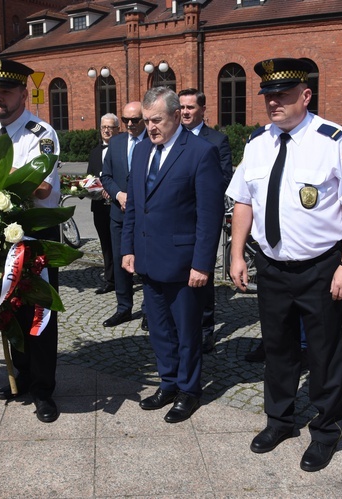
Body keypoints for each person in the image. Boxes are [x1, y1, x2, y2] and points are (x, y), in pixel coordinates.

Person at [226, 58, 342, 472]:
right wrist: (237, 253)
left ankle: (326, 431)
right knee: (278, 348)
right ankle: (281, 420)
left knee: (324, 354)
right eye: (268, 96)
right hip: (271, 265)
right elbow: (243, 202)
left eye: (283, 95)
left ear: (305, 95)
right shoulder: (258, 144)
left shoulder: (334, 140)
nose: (273, 102)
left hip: (321, 267)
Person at [121, 87, 224, 423]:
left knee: (187, 331)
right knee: (160, 329)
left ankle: (190, 390)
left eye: (157, 120)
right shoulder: (140, 153)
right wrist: (128, 249)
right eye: (147, 121)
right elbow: (135, 206)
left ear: (177, 115)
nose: (150, 127)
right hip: (148, 259)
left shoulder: (199, 153)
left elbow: (209, 217)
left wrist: (202, 264)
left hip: (183, 264)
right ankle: (168, 383)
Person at [0, 58, 62, 424]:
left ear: (22, 93)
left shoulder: (41, 133)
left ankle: (44, 390)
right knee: (9, 313)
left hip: (34, 235)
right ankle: (22, 375)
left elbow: (42, 186)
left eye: (4, 90)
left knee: (38, 318)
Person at [178, 88, 232, 353]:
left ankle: (205, 329)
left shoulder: (217, 140)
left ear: (202, 109)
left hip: (202, 219)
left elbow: (223, 180)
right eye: (182, 107)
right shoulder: (172, 136)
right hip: (176, 220)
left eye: (190, 107)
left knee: (203, 274)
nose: (185, 112)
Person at [100, 101, 147, 330]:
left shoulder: (152, 140)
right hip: (118, 215)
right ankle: (123, 308)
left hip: (145, 217)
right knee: (120, 262)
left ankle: (150, 310)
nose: (130, 124)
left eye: (135, 120)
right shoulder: (116, 142)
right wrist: (118, 194)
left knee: (146, 263)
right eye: (126, 119)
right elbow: (106, 176)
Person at [86, 113, 119, 295]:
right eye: (104, 127)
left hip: (117, 204)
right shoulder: (95, 152)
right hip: (99, 205)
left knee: (119, 244)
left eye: (110, 127)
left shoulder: (123, 150)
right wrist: (84, 187)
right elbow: (90, 175)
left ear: (117, 129)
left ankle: (123, 279)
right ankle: (110, 280)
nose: (107, 130)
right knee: (105, 244)